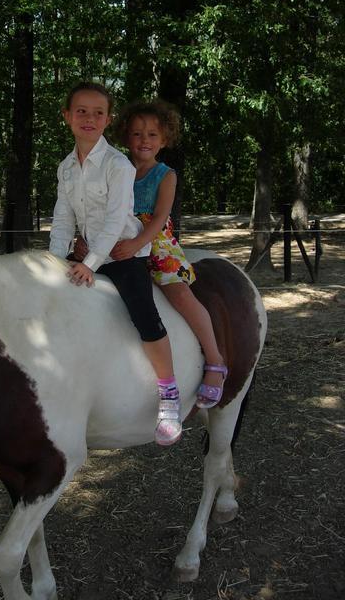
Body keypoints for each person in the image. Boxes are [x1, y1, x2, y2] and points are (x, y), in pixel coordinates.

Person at [49, 82, 182, 446]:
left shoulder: (117, 164)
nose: (88, 118)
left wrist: (91, 262)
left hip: (122, 254)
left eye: (97, 113)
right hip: (87, 254)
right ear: (67, 117)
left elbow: (113, 220)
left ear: (108, 120)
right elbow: (63, 216)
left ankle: (169, 395)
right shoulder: (65, 167)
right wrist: (54, 257)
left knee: (144, 315)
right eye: (81, 111)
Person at [109, 100, 227, 408]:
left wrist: (138, 244)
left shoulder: (165, 175)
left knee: (178, 293)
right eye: (136, 134)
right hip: (119, 237)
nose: (144, 141)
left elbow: (160, 217)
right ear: (126, 137)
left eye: (152, 134)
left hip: (155, 240)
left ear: (164, 139)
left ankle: (215, 361)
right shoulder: (116, 168)